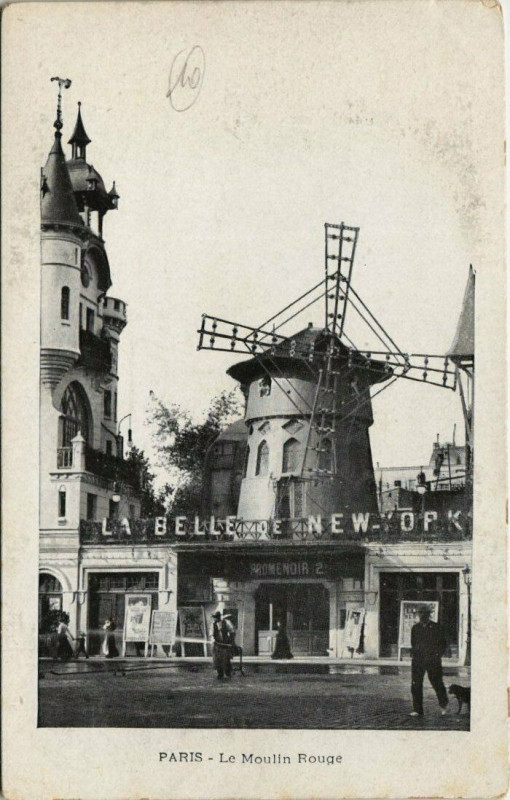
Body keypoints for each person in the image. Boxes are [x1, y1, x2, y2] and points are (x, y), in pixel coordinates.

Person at [410, 605, 449, 716]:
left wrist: (437, 655)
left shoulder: (437, 627)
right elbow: (413, 643)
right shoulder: (415, 628)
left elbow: (443, 643)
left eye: (424, 613)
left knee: (437, 683)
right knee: (416, 684)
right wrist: (415, 655)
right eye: (420, 613)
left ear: (429, 614)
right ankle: (418, 709)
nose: (422, 615)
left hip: (433, 660)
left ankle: (444, 705)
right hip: (418, 660)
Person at [210, 611, 235, 679]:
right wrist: (213, 640)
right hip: (217, 645)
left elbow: (232, 632)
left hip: (225, 644)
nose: (215, 618)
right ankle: (220, 674)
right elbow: (211, 634)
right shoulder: (213, 624)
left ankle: (228, 673)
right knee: (217, 660)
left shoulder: (226, 622)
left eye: (216, 617)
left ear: (219, 617)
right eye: (214, 617)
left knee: (226, 659)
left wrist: (231, 641)